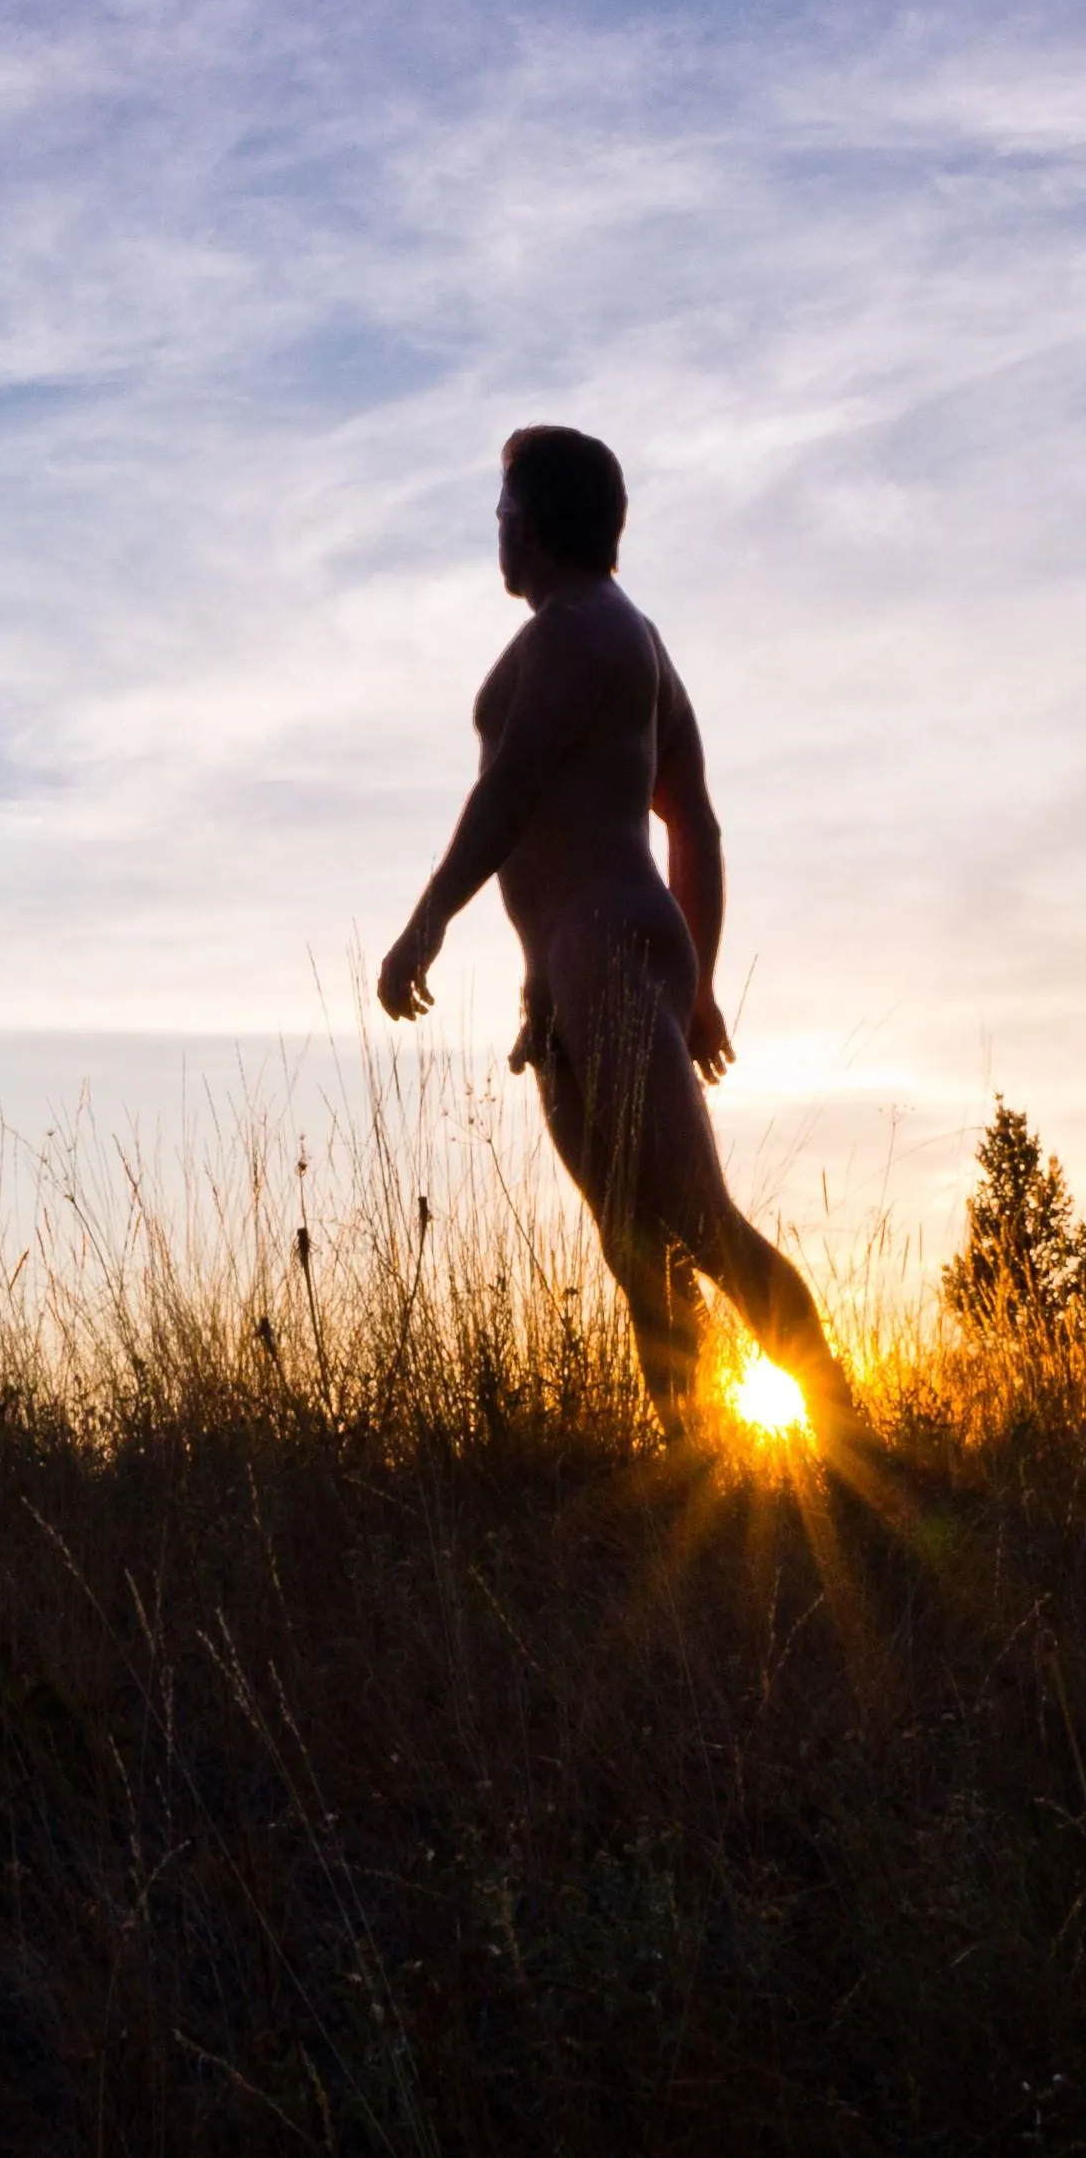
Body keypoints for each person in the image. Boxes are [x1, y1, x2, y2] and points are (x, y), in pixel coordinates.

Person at [376, 427, 859, 1449]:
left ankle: (851, 1442)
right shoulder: (627, 637)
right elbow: (698, 826)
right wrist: (697, 984)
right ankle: (689, 1451)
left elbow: (512, 789)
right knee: (637, 1243)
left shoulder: (582, 630)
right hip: (574, 968)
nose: (497, 531)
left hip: (606, 951)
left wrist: (427, 920)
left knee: (700, 1224)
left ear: (535, 523)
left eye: (504, 513)